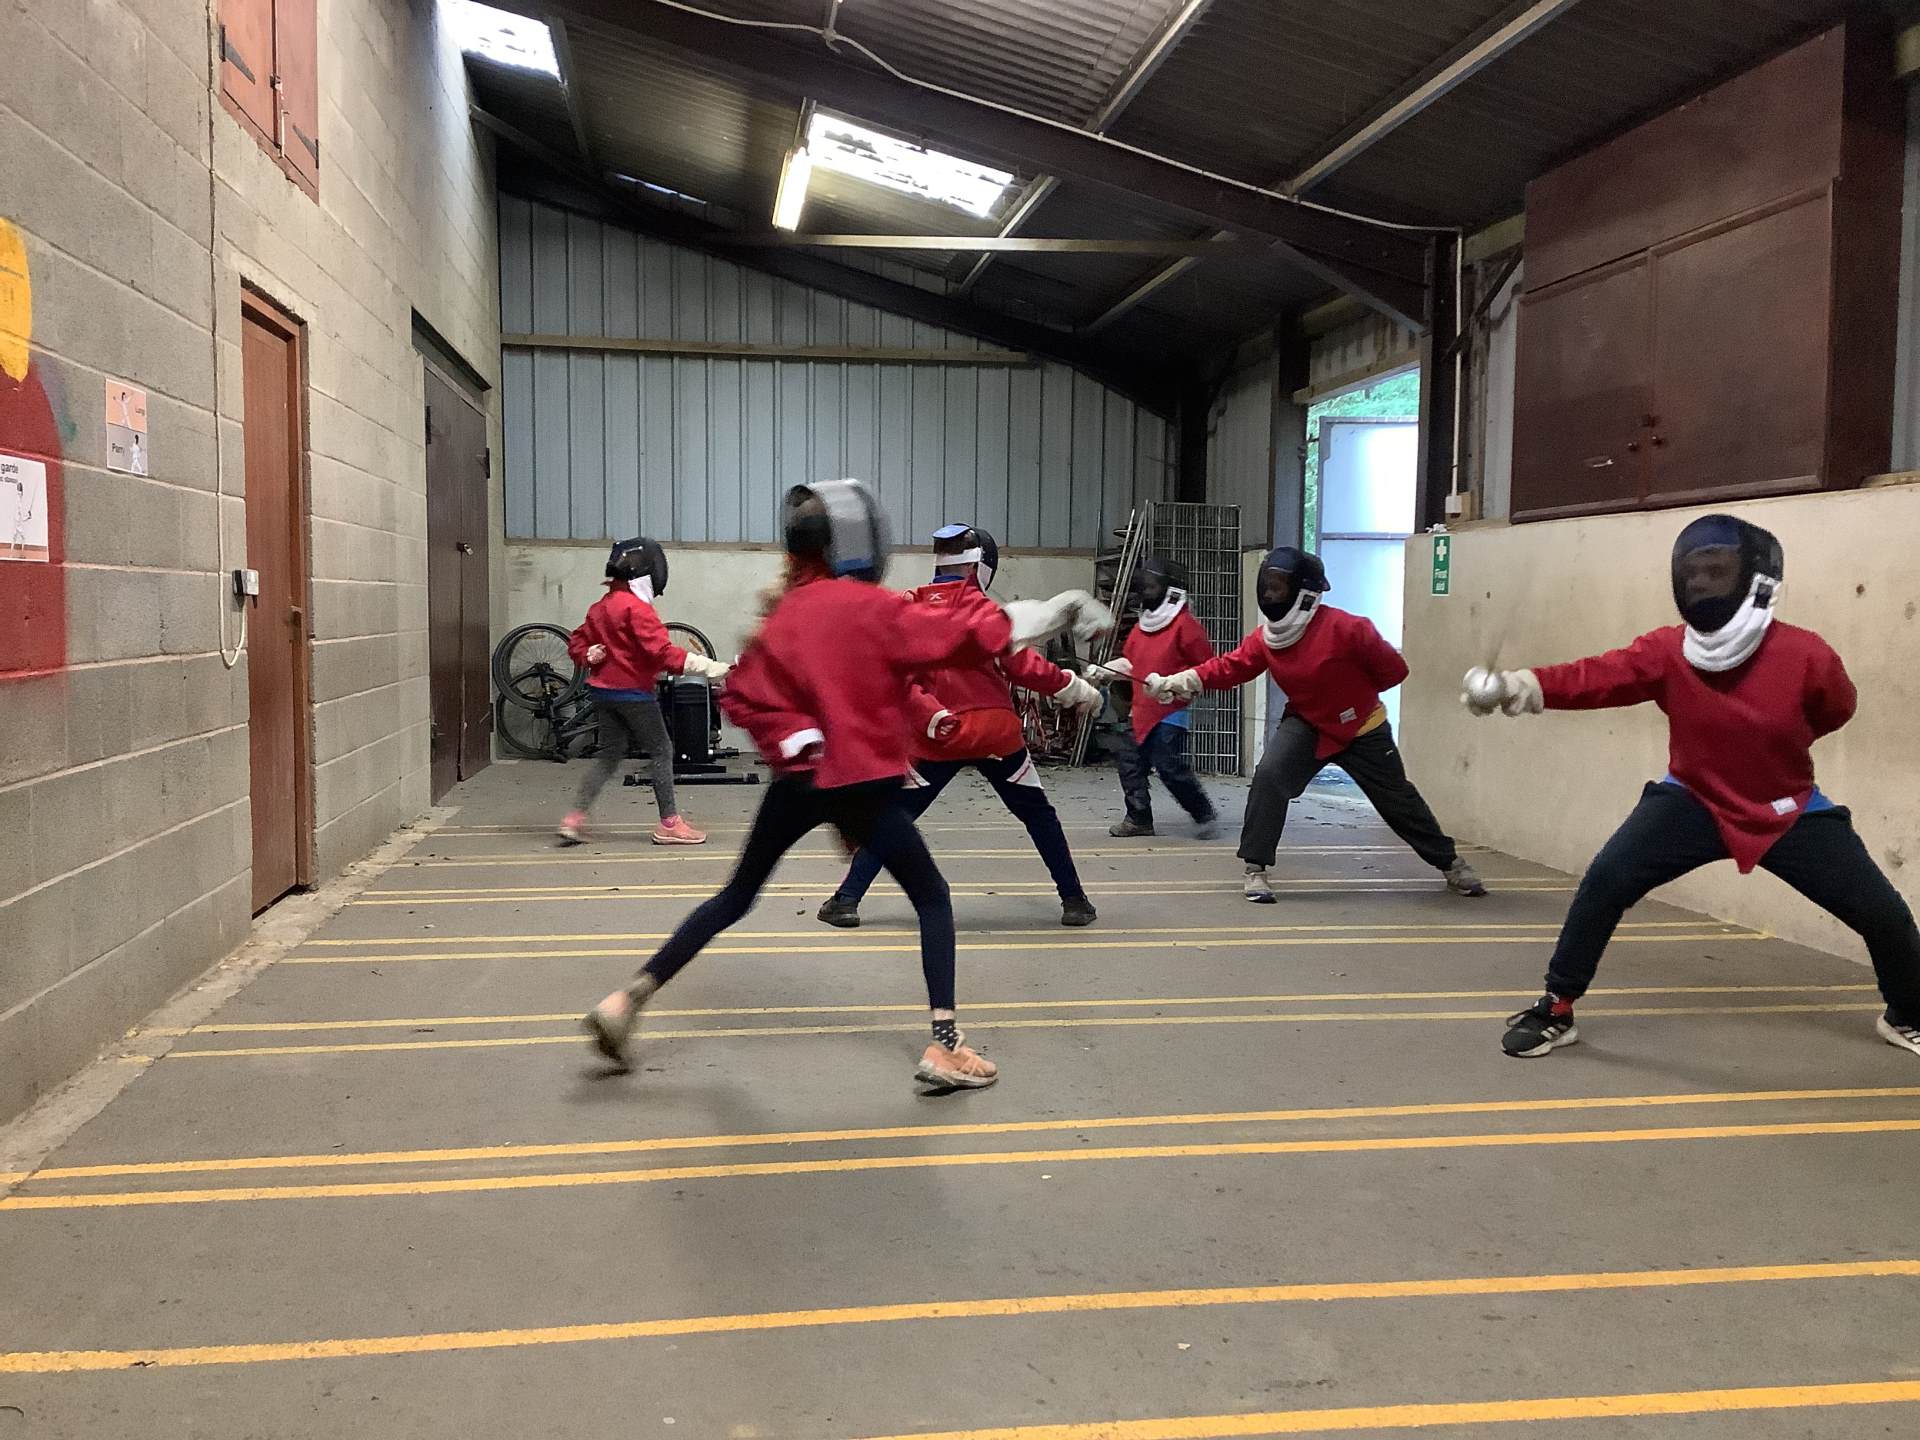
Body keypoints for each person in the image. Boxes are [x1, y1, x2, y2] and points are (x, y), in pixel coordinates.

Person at [583, 481, 1103, 1090]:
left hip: (796, 781)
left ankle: (626, 1000)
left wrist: (797, 742)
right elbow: (969, 634)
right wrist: (1061, 608)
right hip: (858, 784)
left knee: (736, 896)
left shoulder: (783, 615)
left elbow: (742, 693)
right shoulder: (874, 609)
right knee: (932, 897)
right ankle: (945, 1046)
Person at [1464, 513, 1920, 1060]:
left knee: (1884, 914)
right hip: (1691, 799)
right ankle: (1556, 1009)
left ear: (1756, 578)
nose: (1700, 584)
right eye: (1693, 573)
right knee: (1606, 882)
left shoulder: (1807, 655)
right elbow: (1599, 676)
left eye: (1716, 571)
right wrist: (1519, 686)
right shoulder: (1668, 651)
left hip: (1787, 808)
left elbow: (1837, 709)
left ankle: (1907, 1013)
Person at [1146, 546, 1486, 904]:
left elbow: (1394, 671)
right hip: (1307, 723)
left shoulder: (1349, 628)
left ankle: (1451, 865)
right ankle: (1255, 868)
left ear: (1305, 593)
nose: (1269, 595)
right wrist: (1177, 681)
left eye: (1278, 587)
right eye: (1267, 586)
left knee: (1397, 799)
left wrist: (1350, 698)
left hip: (1363, 726)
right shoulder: (1265, 639)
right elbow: (1230, 667)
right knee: (1270, 777)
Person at [816, 522, 1105, 931]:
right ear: (978, 567)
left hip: (939, 736)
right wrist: (1075, 688)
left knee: (894, 818)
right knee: (1039, 815)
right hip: (994, 735)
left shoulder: (909, 607)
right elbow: (1023, 666)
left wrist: (929, 715)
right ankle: (1074, 901)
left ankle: (845, 901)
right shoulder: (985, 612)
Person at [557, 537, 730, 846]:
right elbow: (662, 653)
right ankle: (669, 824)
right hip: (633, 694)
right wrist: (710, 668)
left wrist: (586, 655)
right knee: (662, 750)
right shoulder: (637, 609)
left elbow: (577, 642)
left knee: (609, 757)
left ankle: (574, 819)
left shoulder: (601, 607)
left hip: (603, 694)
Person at [1098, 554, 1220, 840]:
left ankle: (1202, 812)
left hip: (1170, 712)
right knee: (1129, 762)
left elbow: (1207, 668)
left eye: (1152, 586)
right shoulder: (1141, 629)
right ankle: (1139, 818)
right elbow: (1132, 665)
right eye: (1144, 586)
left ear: (1170, 589)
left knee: (1168, 766)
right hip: (1140, 711)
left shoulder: (1186, 626)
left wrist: (1176, 684)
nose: (1145, 592)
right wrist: (1104, 671)